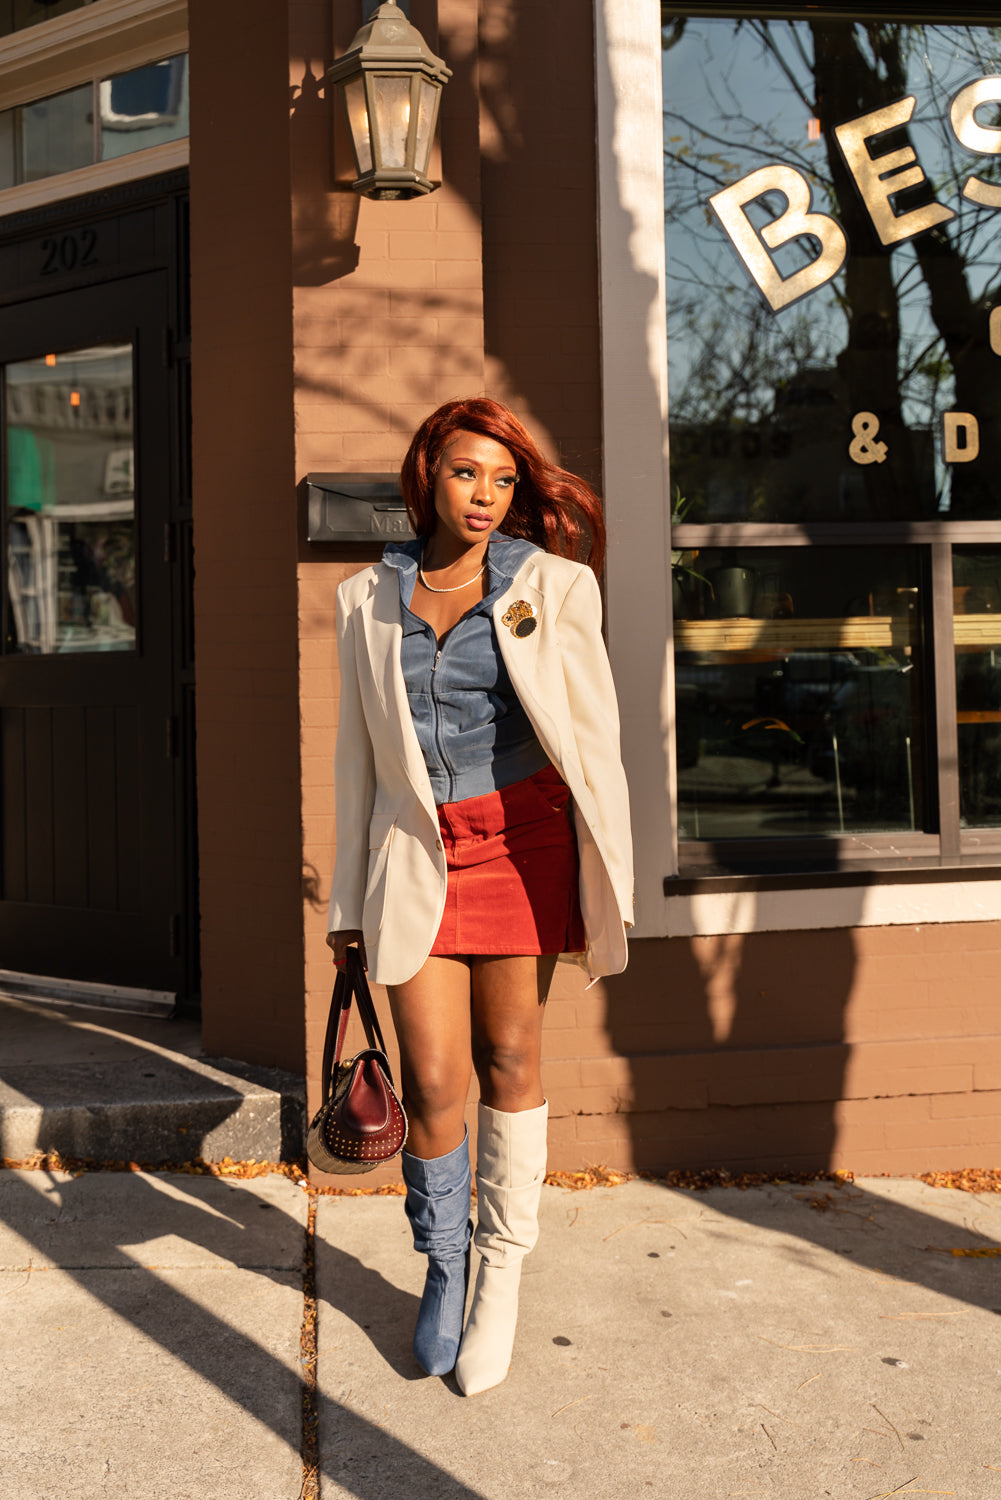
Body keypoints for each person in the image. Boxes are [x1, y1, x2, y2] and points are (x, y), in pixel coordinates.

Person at [326, 397, 633, 1395]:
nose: (486, 497)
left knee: (510, 1056)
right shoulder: (362, 602)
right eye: (468, 474)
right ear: (428, 474)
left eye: (503, 480)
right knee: (431, 1079)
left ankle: (500, 1266)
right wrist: (345, 912)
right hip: (418, 855)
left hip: (525, 846)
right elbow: (355, 768)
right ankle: (443, 1261)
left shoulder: (553, 585)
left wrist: (610, 877)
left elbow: (593, 737)